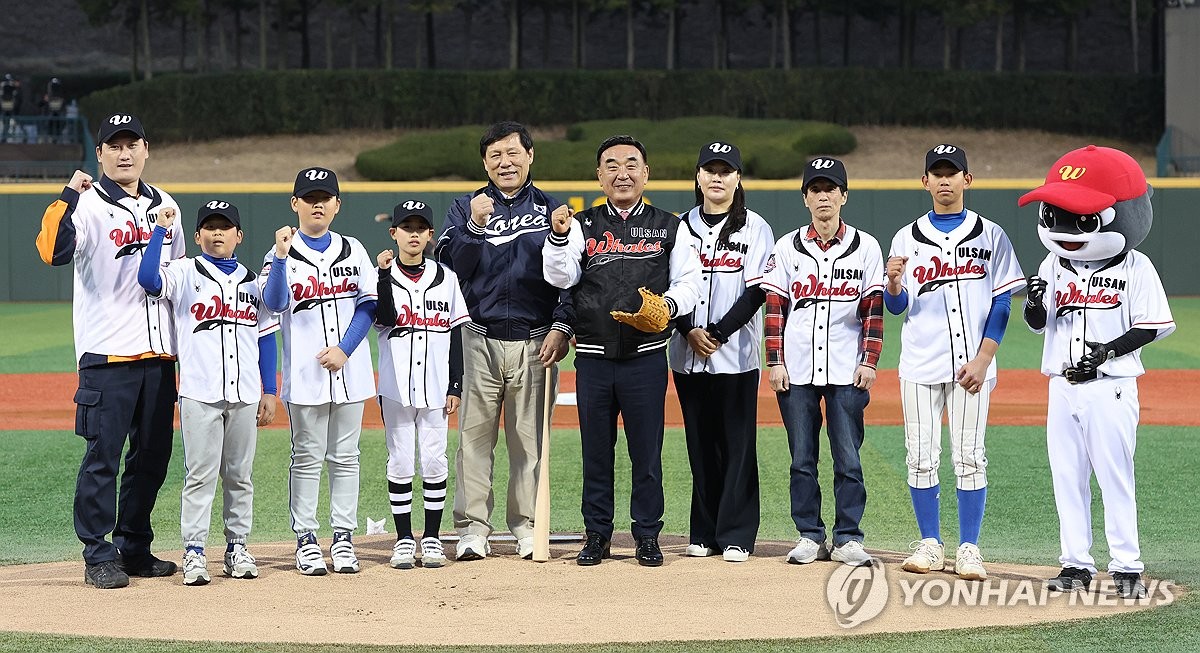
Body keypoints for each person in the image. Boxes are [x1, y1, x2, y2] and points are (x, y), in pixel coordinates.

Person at [34, 113, 183, 589]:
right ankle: (97, 552)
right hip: (108, 354)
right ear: (99, 155)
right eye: (113, 146)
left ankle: (134, 545)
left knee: (153, 456)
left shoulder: (167, 205)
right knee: (103, 455)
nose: (123, 153)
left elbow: (178, 277)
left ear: (146, 149)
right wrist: (66, 196)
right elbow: (52, 252)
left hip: (159, 355)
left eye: (131, 143)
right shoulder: (88, 205)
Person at [1019, 145, 1175, 599]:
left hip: (1111, 389)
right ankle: (1075, 564)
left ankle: (1127, 567)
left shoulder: (1135, 265)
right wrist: (1032, 304)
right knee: (1067, 477)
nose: (1063, 228)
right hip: (1062, 388)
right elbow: (1038, 323)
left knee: (1114, 476)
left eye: (1081, 218)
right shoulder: (1052, 262)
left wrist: (1108, 351)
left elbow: (1151, 325)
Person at [543, 134, 701, 567]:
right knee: (596, 451)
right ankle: (597, 535)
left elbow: (690, 282)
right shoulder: (581, 224)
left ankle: (647, 535)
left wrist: (668, 305)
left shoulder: (671, 225)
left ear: (646, 173)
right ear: (599, 176)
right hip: (592, 355)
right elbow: (561, 278)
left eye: (631, 164)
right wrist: (558, 238)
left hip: (646, 356)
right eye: (611, 165)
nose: (622, 173)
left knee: (646, 452)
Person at [885, 145, 1025, 581]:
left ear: (968, 179)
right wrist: (892, 283)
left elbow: (1003, 301)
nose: (944, 180)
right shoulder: (906, 238)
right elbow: (897, 306)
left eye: (953, 173)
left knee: (970, 456)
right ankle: (930, 543)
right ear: (924, 181)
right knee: (921, 457)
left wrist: (985, 358)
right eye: (936, 173)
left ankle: (968, 547)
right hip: (921, 362)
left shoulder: (992, 235)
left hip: (973, 368)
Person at [434, 122, 572, 561]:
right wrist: (474, 226)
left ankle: (527, 525)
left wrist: (562, 325)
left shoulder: (553, 208)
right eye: (495, 155)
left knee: (528, 441)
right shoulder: (463, 208)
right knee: (474, 439)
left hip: (536, 341)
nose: (505, 162)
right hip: (477, 337)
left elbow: (570, 278)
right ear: (484, 163)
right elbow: (454, 271)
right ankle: (473, 528)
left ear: (530, 156)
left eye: (513, 153)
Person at [137, 200, 279, 586]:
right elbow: (149, 279)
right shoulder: (184, 271)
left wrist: (270, 389)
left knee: (240, 475)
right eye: (210, 227)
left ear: (238, 235)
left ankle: (237, 547)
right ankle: (195, 550)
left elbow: (266, 337)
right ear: (197, 235)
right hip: (199, 391)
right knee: (200, 474)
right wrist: (160, 232)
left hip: (246, 392)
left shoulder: (253, 281)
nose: (218, 233)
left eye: (225, 226)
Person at [761, 157, 884, 568]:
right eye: (816, 189)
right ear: (805, 199)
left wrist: (869, 361)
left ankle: (848, 536)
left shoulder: (866, 246)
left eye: (831, 188)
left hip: (848, 369)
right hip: (796, 369)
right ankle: (809, 534)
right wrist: (774, 363)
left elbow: (872, 311)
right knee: (801, 457)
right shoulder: (786, 247)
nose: (824, 195)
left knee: (848, 457)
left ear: (844, 196)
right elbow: (774, 309)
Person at [260, 167, 377, 576]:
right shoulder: (280, 252)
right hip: (305, 376)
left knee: (346, 456)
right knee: (307, 457)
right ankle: (307, 538)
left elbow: (368, 304)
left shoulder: (354, 248)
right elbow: (273, 304)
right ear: (295, 204)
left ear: (337, 206)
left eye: (324, 197)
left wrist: (345, 349)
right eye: (309, 197)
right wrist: (278, 257)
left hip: (351, 370)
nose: (317, 203)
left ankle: (343, 537)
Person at [668, 141, 774, 563]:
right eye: (709, 170)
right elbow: (667, 288)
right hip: (686, 351)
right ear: (697, 177)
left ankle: (737, 534)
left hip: (736, 354)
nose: (717, 177)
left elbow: (756, 291)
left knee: (737, 444)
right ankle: (705, 532)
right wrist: (688, 330)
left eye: (725, 170)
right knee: (700, 443)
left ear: (737, 178)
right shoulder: (680, 226)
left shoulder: (756, 227)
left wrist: (715, 332)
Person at [376, 200, 471, 570]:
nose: (413, 233)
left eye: (420, 227)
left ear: (430, 234)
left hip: (435, 383)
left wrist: (456, 384)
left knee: (433, 459)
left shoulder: (445, 277)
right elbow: (383, 318)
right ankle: (403, 539)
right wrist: (383, 276)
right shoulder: (380, 274)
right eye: (406, 227)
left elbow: (457, 331)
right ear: (394, 232)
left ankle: (431, 537)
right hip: (396, 384)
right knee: (400, 460)